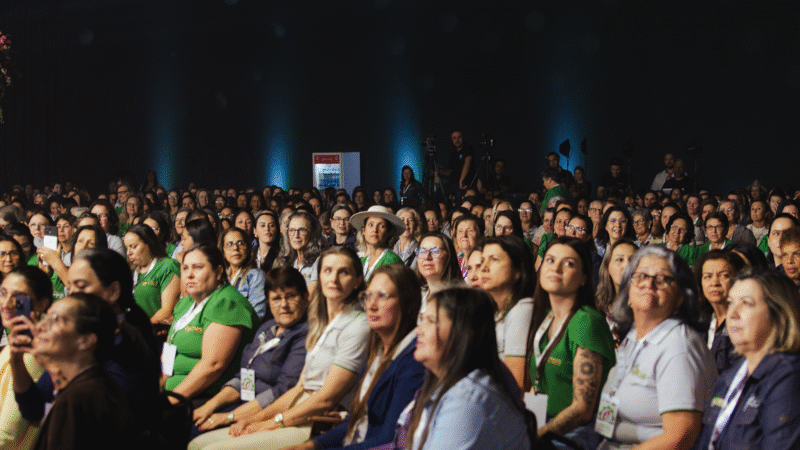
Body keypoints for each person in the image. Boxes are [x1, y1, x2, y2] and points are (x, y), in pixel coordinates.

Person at [188, 247, 369, 450]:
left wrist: (270, 422)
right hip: (293, 407)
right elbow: (299, 388)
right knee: (197, 443)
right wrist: (254, 419)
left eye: (343, 272)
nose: (333, 279)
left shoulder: (358, 325)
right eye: (327, 271)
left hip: (316, 420)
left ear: (358, 280)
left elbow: (325, 399)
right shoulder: (322, 324)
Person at [286, 263, 425, 450]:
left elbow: (389, 438)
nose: (372, 306)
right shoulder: (377, 352)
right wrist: (311, 445)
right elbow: (354, 423)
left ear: (408, 303)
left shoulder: (414, 360)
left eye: (382, 296)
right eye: (368, 296)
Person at [379, 287, 534, 449]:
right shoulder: (446, 383)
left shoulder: (467, 403)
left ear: (464, 334)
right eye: (422, 319)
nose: (418, 330)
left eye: (431, 321)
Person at [597, 245, 715, 450]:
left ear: (680, 298)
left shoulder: (679, 346)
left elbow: (680, 438)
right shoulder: (635, 335)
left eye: (662, 279)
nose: (649, 284)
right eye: (641, 276)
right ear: (628, 292)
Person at [192, 267, 309, 436]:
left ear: (305, 298)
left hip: (268, 413)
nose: (284, 305)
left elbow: (282, 390)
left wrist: (228, 417)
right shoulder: (267, 328)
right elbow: (243, 378)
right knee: (188, 417)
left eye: (290, 296)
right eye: (276, 298)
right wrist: (209, 407)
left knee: (194, 433)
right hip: (243, 403)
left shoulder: (305, 334)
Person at [694, 269, 800, 450]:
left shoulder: (789, 377)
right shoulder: (730, 376)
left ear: (779, 315)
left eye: (746, 303)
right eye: (730, 303)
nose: (732, 314)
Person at [527, 237, 616, 445]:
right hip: (546, 422)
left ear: (584, 278)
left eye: (568, 263)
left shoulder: (585, 321)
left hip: (580, 430)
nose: (555, 268)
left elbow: (582, 411)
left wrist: (534, 437)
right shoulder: (546, 316)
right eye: (549, 260)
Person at [27, 293, 137, 449]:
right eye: (45, 317)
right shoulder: (93, 384)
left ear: (85, 341)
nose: (40, 326)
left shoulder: (78, 398)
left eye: (54, 319)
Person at [164, 244, 258, 401]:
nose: (189, 275)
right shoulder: (184, 304)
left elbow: (213, 366)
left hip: (206, 397)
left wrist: (168, 402)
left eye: (197, 267)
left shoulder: (227, 302)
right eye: (185, 268)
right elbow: (168, 354)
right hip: (173, 393)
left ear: (219, 272)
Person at [0, 266, 52, 450]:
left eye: (18, 297)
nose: (6, 304)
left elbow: (7, 435)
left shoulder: (31, 355)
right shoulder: (15, 342)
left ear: (41, 304)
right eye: (3, 293)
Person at [477, 235, 535, 390]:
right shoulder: (492, 310)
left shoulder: (522, 309)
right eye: (482, 260)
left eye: (494, 259)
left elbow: (516, 382)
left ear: (518, 271)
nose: (483, 268)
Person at [695, 250, 746, 374]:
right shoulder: (701, 323)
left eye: (724, 275)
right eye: (707, 276)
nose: (714, 283)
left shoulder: (744, 323)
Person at [124, 224, 181, 323]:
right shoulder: (132, 271)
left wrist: (143, 331)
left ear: (148, 244)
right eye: (127, 248)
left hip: (157, 331)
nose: (129, 252)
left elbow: (167, 311)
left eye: (133, 247)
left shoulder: (167, 266)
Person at [220, 227, 268, 320]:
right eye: (229, 244)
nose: (235, 248)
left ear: (248, 248)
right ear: (223, 252)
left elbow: (256, 316)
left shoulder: (256, 276)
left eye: (240, 243)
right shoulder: (221, 276)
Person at [350, 205, 405, 282]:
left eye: (381, 226)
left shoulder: (393, 261)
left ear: (389, 232)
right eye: (370, 225)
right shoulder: (362, 261)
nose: (375, 230)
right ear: (363, 230)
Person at [276, 211, 325, 293]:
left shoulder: (319, 261)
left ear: (313, 233)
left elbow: (310, 297)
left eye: (302, 230)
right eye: (292, 230)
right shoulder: (290, 261)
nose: (296, 235)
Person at [415, 232, 463, 315]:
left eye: (435, 251)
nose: (427, 257)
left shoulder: (461, 300)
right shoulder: (417, 297)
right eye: (422, 251)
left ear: (449, 257)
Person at [452, 214, 483, 279]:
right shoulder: (455, 263)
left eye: (470, 231)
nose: (464, 235)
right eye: (460, 231)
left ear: (481, 237)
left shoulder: (484, 264)